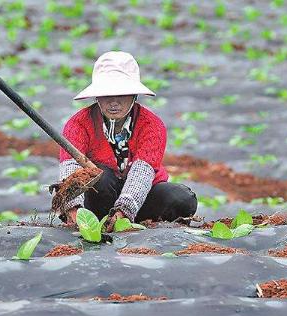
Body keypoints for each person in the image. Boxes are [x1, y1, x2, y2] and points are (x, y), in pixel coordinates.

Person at [59, 51, 197, 232]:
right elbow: (71, 172)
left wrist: (123, 213)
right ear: (97, 97)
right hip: (98, 201)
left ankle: (134, 225)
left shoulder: (151, 125)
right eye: (107, 94)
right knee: (100, 176)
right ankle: (100, 225)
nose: (114, 102)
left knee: (181, 198)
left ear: (134, 95)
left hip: (141, 199)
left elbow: (142, 173)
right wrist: (74, 210)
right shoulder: (78, 124)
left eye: (121, 94)